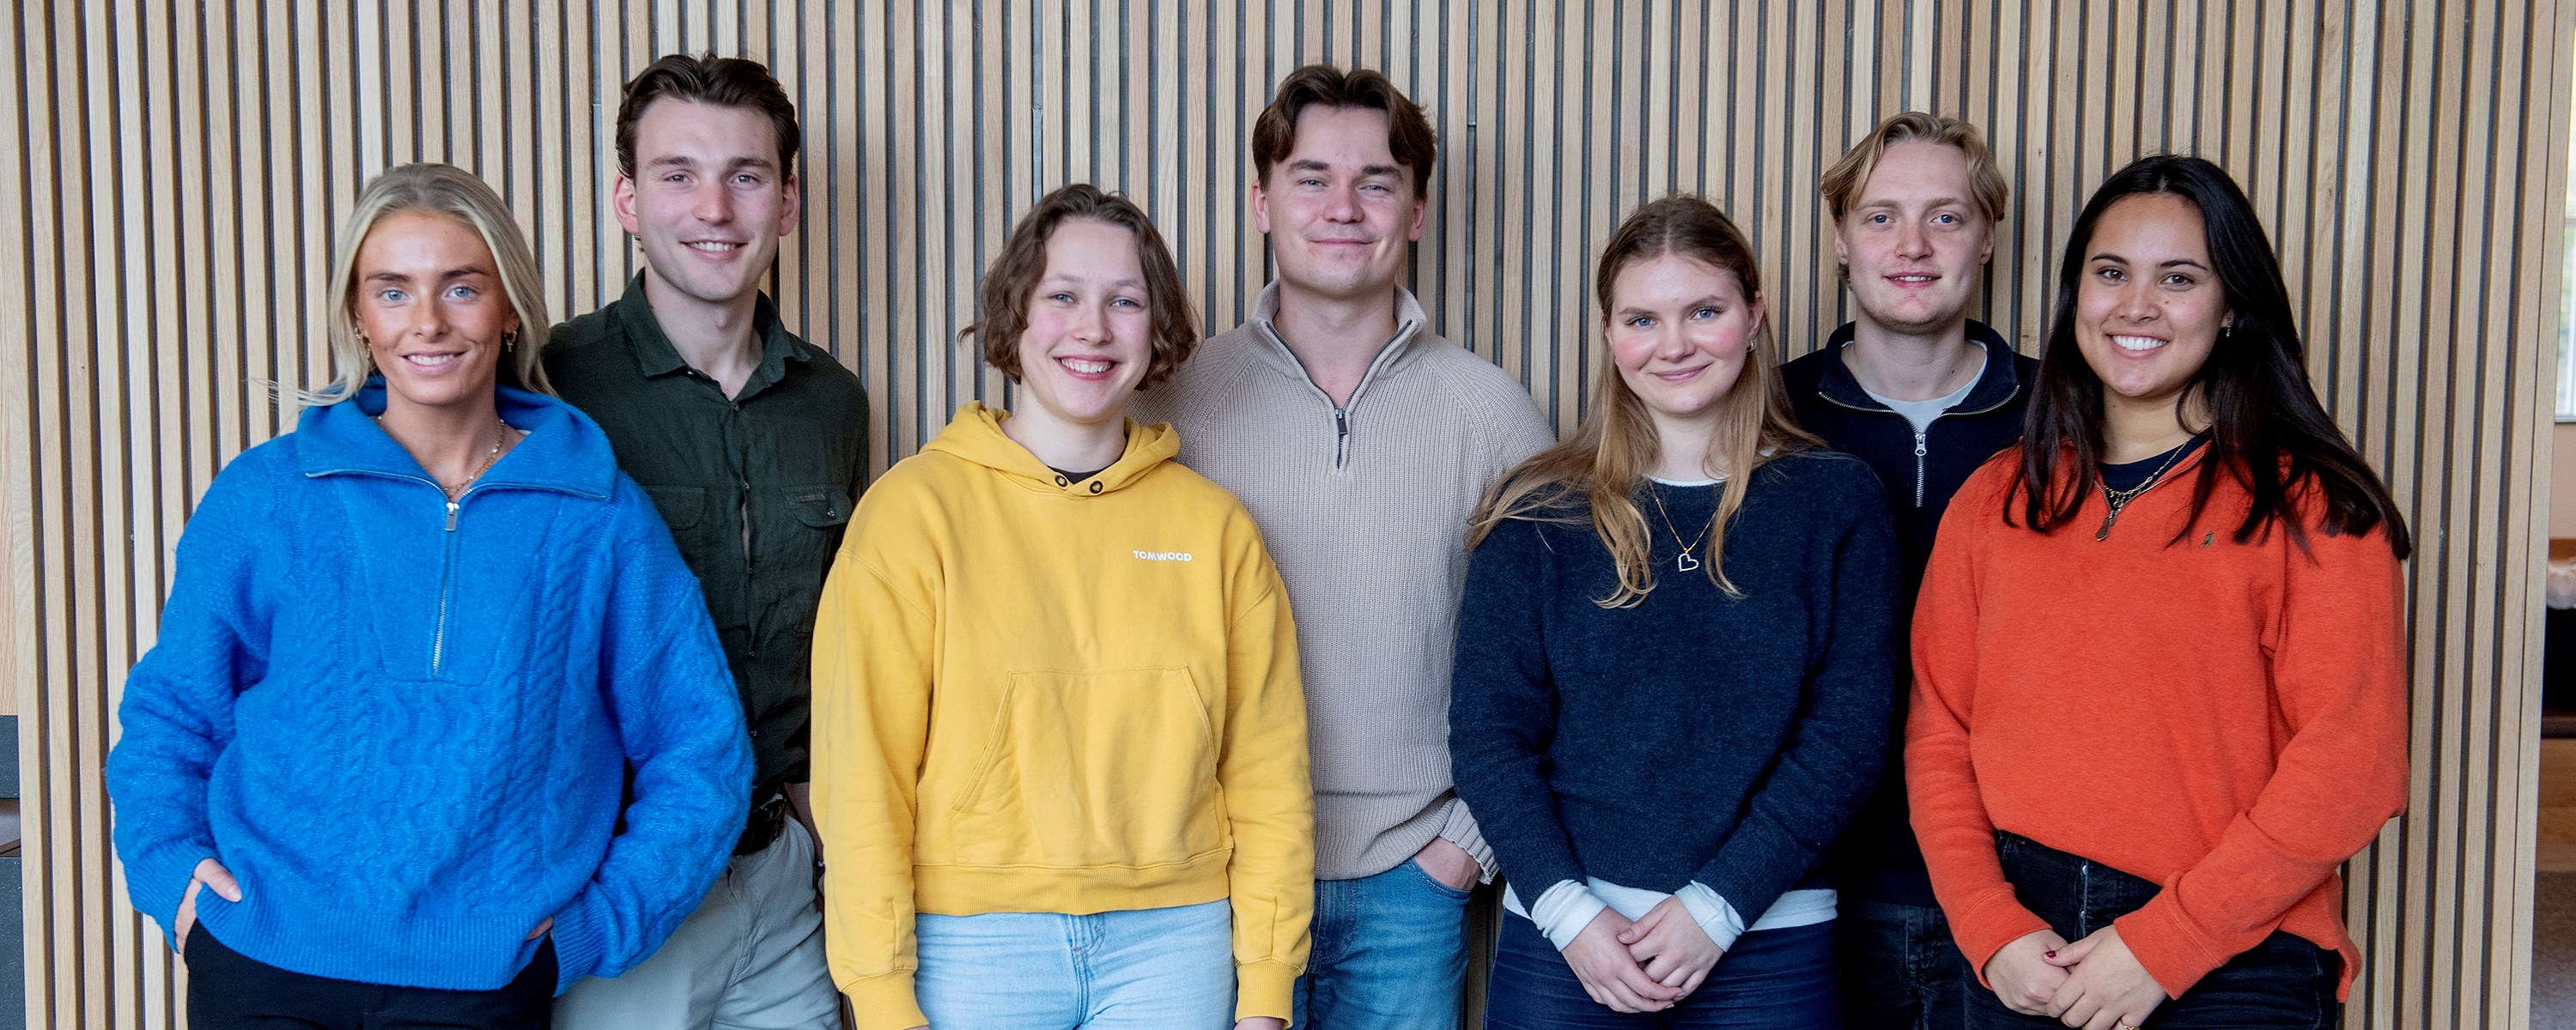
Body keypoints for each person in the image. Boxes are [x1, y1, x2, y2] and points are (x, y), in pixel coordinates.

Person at [103, 162, 753, 1030]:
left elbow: (699, 747)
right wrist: (169, 868)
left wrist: (597, 927)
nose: (429, 322)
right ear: (358, 314)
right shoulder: (270, 495)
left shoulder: (598, 518)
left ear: (509, 306)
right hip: (261, 963)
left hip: (483, 979)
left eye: (461, 287)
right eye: (394, 291)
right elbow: (172, 712)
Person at [1906, 154, 2411, 1030]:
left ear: (2231, 310)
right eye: (2112, 274)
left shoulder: (2314, 507)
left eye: (2178, 279)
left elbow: (2352, 768)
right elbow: (1940, 731)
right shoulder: (1995, 499)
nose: (2136, 306)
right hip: (2023, 944)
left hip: (2235, 949)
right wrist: (1989, 927)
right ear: (2076, 299)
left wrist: (2164, 943)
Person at [811, 184, 1313, 1030]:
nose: (1093, 329)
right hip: (971, 943)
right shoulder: (912, 514)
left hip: (1176, 942)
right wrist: (883, 996)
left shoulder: (1216, 530)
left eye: (1125, 301)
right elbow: (862, 777)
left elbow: (1269, 776)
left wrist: (1266, 989)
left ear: (1156, 330)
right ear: (1017, 315)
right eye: (1063, 297)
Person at [1130, 64, 1555, 1030]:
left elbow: (1557, 657)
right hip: (1208, 875)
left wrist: (1464, 849)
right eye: (1312, 178)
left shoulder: (1494, 416)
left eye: (1376, 182)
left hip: (1414, 878)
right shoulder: (1168, 405)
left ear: (1415, 211)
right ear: (1262, 203)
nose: (1343, 208)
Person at [1450, 194, 1899, 1028]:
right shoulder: (1537, 511)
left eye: (1704, 311)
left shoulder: (1835, 502)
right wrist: (1570, 915)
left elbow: (1848, 735)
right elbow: (1489, 738)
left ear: (1755, 313)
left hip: (1770, 942)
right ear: (1610, 334)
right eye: (1642, 319)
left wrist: (1718, 906)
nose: (1675, 345)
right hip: (1567, 947)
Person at [545, 52, 864, 1030]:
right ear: (627, 200)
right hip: (621, 875)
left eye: (746, 175)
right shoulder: (553, 386)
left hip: (781, 882)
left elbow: (834, 653)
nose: (714, 209)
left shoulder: (833, 403)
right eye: (678, 175)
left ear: (790, 202)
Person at [1777, 112, 2032, 1028]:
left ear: (1990, 235)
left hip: (2019, 894)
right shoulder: (1763, 414)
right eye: (1881, 216)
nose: (1913, 245)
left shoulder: (2065, 420)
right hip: (1804, 887)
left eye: (1946, 216)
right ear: (1840, 240)